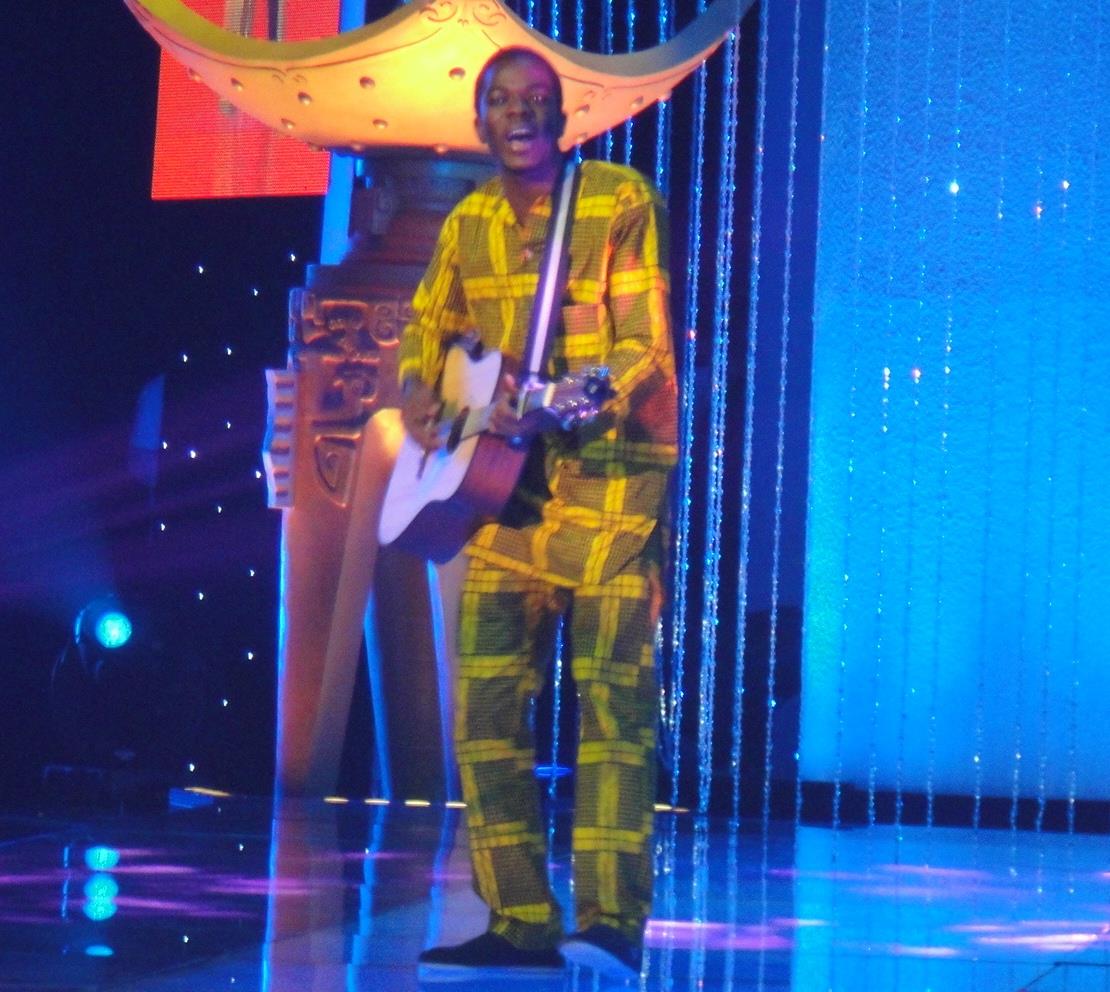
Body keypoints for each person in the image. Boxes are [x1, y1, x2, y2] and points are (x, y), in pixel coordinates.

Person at [398, 45, 678, 984]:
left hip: (614, 493)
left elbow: (643, 348)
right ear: (479, 121)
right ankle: (518, 923)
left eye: (536, 99)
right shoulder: (469, 221)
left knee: (612, 713)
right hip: (505, 501)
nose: (518, 113)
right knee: (483, 714)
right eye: (500, 101)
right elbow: (427, 332)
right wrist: (426, 398)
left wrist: (562, 400)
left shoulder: (619, 199)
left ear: (563, 117)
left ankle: (610, 926)